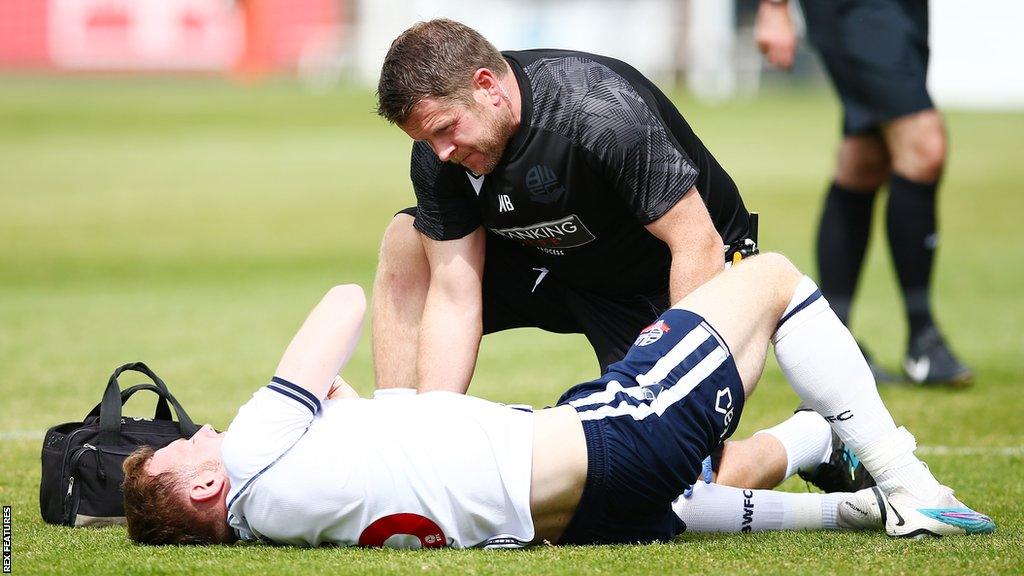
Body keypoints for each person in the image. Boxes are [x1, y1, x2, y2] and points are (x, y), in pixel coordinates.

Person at [121, 254, 994, 546]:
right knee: (767, 281)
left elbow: (358, 423)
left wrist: (320, 407)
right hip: (604, 439)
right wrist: (279, 403)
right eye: (182, 447)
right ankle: (914, 491)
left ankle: (848, 499)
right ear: (205, 489)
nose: (198, 428)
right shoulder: (249, 457)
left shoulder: (273, 516)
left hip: (569, 509)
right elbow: (347, 301)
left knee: (689, 495)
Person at [372, 19, 758, 400]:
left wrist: (681, 387)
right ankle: (399, 435)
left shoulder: (598, 109)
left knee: (665, 452)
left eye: (445, 128)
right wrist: (425, 427)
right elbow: (454, 295)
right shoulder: (439, 156)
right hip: (561, 266)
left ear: (487, 86)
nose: (441, 151)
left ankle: (811, 434)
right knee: (408, 239)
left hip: (668, 275)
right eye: (426, 138)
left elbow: (697, 242)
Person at [754, 0, 971, 385]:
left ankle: (833, 342)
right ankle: (922, 337)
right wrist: (773, 7)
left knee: (866, 157)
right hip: (851, 9)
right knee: (924, 145)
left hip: (903, 9)